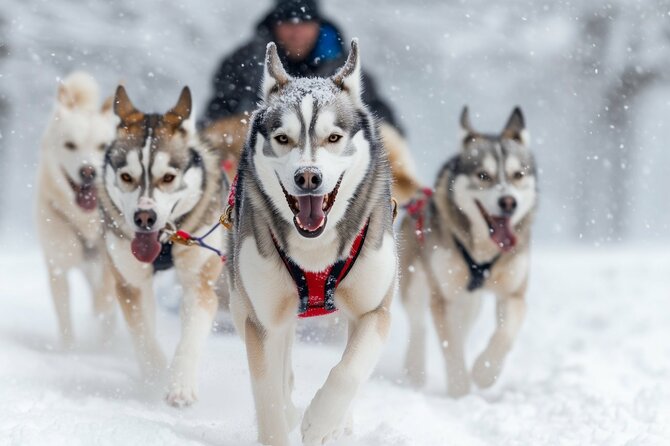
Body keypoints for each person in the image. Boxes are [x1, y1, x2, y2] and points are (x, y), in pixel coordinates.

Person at [200, 0, 419, 203]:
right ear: (274, 26)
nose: (296, 32)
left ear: (317, 26)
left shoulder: (341, 65)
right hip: (259, 161)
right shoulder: (245, 63)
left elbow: (378, 114)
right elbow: (217, 116)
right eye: (288, 24)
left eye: (304, 23)